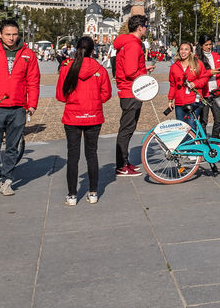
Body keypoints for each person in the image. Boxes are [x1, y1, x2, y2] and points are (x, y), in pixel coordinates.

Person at [0, 19, 41, 197]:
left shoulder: (28, 54)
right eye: (8, 34)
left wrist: (32, 104)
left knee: (12, 148)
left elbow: (33, 81)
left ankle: (7, 180)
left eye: (14, 34)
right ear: (0, 35)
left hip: (18, 108)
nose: (11, 38)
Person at [56, 36, 111, 205]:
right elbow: (106, 94)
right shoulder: (100, 70)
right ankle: (93, 192)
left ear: (76, 49)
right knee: (91, 154)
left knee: (73, 155)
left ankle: (72, 195)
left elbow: (60, 95)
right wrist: (93, 100)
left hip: (73, 115)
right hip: (93, 116)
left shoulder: (67, 68)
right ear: (93, 51)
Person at [112, 15, 153, 178]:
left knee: (128, 127)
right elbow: (130, 72)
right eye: (146, 26)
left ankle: (124, 162)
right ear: (139, 27)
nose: (147, 29)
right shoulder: (133, 45)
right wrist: (144, 73)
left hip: (129, 89)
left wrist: (144, 68)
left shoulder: (128, 43)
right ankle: (121, 165)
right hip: (131, 91)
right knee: (127, 128)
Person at [167, 42, 209, 128]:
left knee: (191, 125)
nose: (183, 51)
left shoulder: (197, 64)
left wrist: (195, 83)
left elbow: (204, 78)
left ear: (190, 51)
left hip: (194, 100)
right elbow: (172, 85)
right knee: (181, 127)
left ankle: (193, 142)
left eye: (186, 49)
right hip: (180, 102)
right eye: (181, 49)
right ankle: (187, 141)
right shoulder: (174, 67)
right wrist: (170, 100)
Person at [197, 34, 220, 140]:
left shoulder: (216, 56)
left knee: (219, 118)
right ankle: (203, 141)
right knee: (203, 119)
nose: (209, 47)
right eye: (206, 45)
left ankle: (215, 139)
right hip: (204, 92)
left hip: (216, 91)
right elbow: (197, 75)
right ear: (201, 45)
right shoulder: (197, 58)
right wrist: (210, 72)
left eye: (210, 44)